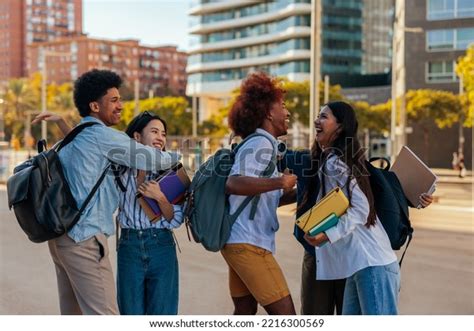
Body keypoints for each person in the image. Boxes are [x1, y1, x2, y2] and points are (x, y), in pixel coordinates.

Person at [32, 69, 179, 315]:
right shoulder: (101, 136)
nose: (121, 106)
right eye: (114, 100)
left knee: (74, 315)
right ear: (95, 106)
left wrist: (61, 122)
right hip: (85, 239)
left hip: (60, 238)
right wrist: (181, 158)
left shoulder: (76, 136)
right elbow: (155, 160)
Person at [301, 101, 432, 315]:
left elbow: (361, 208)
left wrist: (328, 233)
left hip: (371, 264)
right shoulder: (340, 160)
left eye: (324, 116)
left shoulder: (336, 163)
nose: (317, 120)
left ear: (340, 127)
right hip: (361, 266)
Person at [223, 71, 298, 315]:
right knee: (286, 315)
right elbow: (234, 183)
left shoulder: (260, 144)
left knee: (244, 311)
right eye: (283, 106)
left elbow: (261, 197)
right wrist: (280, 181)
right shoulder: (261, 143)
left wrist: (299, 191)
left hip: (239, 241)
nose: (287, 113)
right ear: (268, 112)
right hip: (249, 244)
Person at [116, 112, 182, 315]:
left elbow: (176, 219)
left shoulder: (172, 171)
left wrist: (160, 197)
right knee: (130, 314)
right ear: (137, 136)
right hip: (129, 246)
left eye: (163, 133)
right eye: (154, 131)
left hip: (162, 246)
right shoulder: (118, 169)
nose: (160, 137)